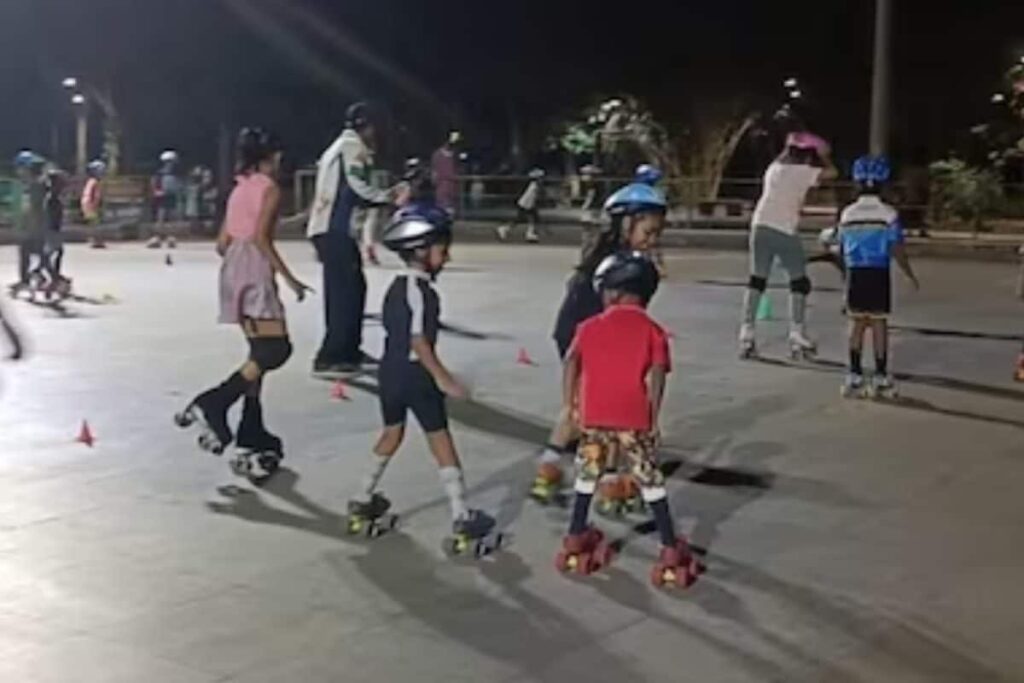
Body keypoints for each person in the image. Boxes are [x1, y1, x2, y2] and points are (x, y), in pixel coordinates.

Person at [346, 202, 495, 542]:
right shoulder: (421, 292)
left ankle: (362, 497)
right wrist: (445, 379)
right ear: (421, 251)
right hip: (416, 375)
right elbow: (418, 341)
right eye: (443, 250)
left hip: (389, 373)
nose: (447, 258)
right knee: (440, 439)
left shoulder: (396, 287)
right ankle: (461, 515)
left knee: (391, 434)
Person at [555, 251, 700, 586]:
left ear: (613, 292)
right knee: (650, 481)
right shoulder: (654, 331)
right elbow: (659, 374)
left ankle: (576, 534)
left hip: (594, 418)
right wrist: (653, 415)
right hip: (634, 419)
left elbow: (570, 361)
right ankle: (667, 546)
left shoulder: (588, 327)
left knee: (587, 475)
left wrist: (570, 404)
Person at [175, 128, 310, 478]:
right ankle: (213, 402)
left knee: (258, 355)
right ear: (271, 156)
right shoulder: (270, 188)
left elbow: (222, 241)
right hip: (253, 267)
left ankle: (252, 434)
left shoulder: (239, 188)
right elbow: (263, 239)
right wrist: (289, 278)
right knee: (277, 350)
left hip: (232, 268)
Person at [532, 180, 667, 504]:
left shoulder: (607, 255)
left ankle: (548, 473)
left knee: (585, 410)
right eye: (648, 232)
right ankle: (609, 485)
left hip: (582, 335)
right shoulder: (620, 264)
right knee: (612, 412)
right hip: (587, 338)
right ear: (626, 223)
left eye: (656, 234)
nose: (652, 241)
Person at [307, 102, 399, 377]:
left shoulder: (340, 145)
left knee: (352, 289)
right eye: (374, 127)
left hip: (331, 229)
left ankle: (348, 350)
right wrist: (390, 196)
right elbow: (358, 187)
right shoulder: (352, 146)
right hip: (335, 229)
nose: (377, 133)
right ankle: (331, 357)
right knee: (344, 294)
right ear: (365, 126)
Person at [739, 131, 838, 359]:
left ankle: (747, 333)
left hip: (759, 225)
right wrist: (824, 156)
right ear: (806, 156)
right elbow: (833, 173)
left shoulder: (773, 169)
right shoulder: (804, 172)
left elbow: (784, 154)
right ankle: (797, 331)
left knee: (757, 280)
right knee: (799, 281)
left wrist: (792, 143)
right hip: (783, 229)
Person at [833, 155, 919, 398]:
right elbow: (896, 249)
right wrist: (909, 274)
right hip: (879, 272)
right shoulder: (889, 214)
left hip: (855, 272)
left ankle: (854, 373)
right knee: (879, 322)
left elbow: (840, 247)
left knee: (856, 323)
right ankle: (880, 375)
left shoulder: (847, 214)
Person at [9, 151, 48, 295]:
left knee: (39, 255)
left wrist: (30, 227)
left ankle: (45, 279)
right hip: (30, 227)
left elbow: (35, 209)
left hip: (36, 228)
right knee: (28, 255)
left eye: (21, 168)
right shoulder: (28, 185)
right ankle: (29, 280)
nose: (18, 171)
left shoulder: (37, 185)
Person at [496, 168, 544, 243]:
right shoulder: (534, 186)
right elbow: (531, 198)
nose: (542, 179)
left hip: (526, 205)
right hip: (525, 205)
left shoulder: (534, 186)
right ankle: (504, 229)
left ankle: (530, 234)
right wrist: (532, 208)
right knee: (521, 220)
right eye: (540, 178)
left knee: (531, 219)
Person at [149, 150, 181, 249]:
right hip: (162, 198)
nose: (170, 164)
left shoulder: (175, 174)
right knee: (160, 218)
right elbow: (154, 184)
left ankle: (171, 238)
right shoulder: (160, 174)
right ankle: (157, 238)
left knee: (171, 218)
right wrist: (156, 192)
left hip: (171, 196)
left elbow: (178, 186)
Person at [431, 130, 460, 214]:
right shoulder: (437, 155)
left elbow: (457, 169)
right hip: (442, 185)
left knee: (452, 207)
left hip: (453, 185)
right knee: (443, 207)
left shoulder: (455, 155)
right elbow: (434, 171)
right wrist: (435, 181)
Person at [81, 160, 107, 248]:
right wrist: (96, 205)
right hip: (91, 205)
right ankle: (96, 240)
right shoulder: (95, 182)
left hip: (87, 205)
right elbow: (96, 196)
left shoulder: (90, 181)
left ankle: (94, 240)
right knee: (95, 224)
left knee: (93, 223)